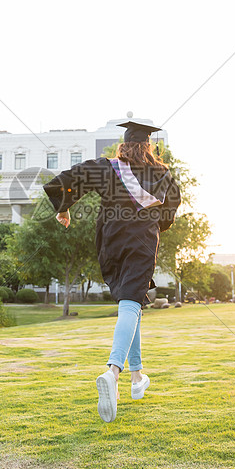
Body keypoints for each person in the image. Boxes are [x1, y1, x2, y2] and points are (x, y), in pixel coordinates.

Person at [43, 120, 181, 422]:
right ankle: (113, 371)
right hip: (141, 240)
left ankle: (136, 377)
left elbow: (70, 178)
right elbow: (171, 208)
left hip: (110, 241)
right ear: (149, 146)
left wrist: (63, 208)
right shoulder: (161, 173)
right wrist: (156, 221)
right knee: (131, 303)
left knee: (131, 302)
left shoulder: (108, 166)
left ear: (124, 145)